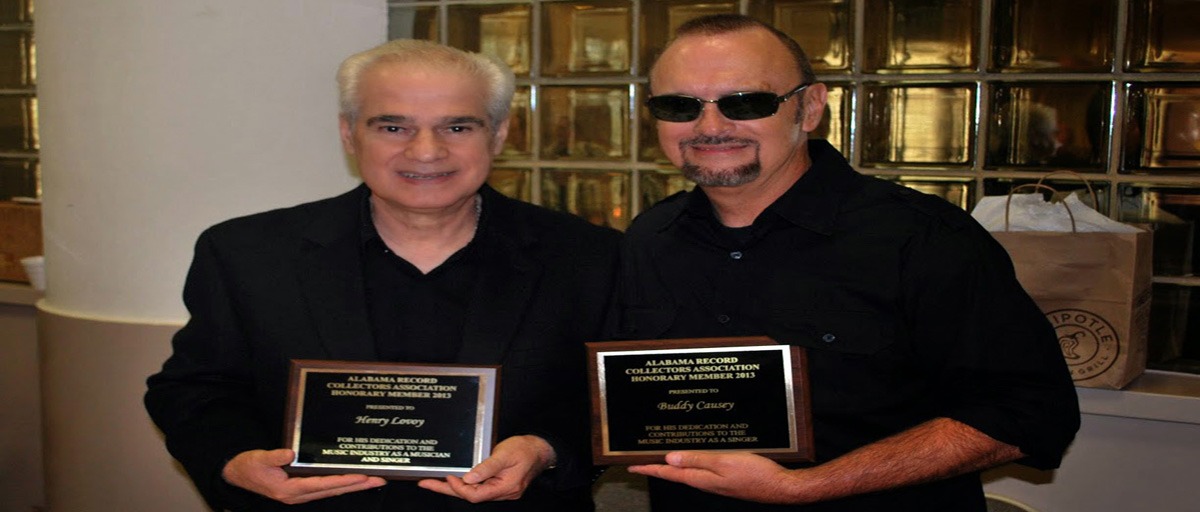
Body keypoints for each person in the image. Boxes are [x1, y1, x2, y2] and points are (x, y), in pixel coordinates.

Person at [615, 14, 1080, 511]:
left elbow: (1030, 413)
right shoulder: (648, 239)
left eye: (745, 102)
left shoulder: (923, 237)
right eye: (679, 105)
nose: (710, 127)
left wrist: (803, 487)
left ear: (811, 107)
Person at [145, 39, 619, 511]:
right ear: (349, 135)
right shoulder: (247, 253)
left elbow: (615, 400)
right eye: (394, 127)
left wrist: (546, 450)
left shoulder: (589, 257)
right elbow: (196, 388)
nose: (426, 151)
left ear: (497, 135)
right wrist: (233, 461)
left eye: (457, 127)